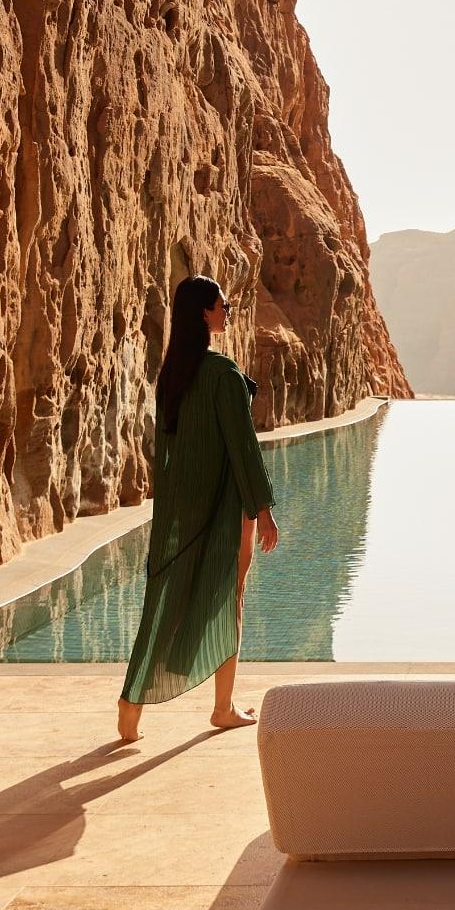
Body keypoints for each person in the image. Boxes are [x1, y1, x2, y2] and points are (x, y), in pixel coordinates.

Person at [117, 275, 279, 742]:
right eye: (222, 305)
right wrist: (263, 509)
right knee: (230, 601)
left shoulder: (173, 374)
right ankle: (222, 708)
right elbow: (242, 447)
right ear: (205, 313)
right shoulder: (221, 374)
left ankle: (131, 707)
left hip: (182, 509)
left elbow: (169, 451)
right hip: (226, 508)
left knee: (165, 602)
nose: (228, 311)